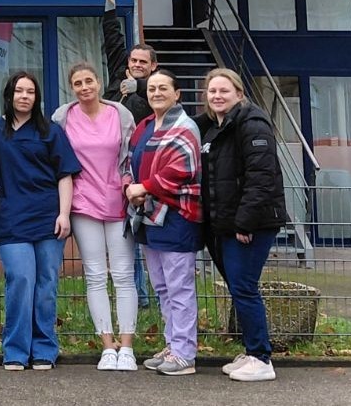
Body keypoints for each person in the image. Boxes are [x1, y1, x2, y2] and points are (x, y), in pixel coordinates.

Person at [196, 67, 288, 382]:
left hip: (250, 225)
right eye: (212, 91)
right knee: (239, 288)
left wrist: (245, 223)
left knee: (244, 288)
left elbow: (261, 177)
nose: (217, 96)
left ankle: (261, 359)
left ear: (239, 93)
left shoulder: (252, 124)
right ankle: (251, 351)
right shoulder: (213, 127)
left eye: (224, 90)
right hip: (224, 225)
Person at [0, 71, 81, 372]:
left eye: (30, 92)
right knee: (20, 279)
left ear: (37, 97)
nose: (24, 96)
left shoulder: (50, 131)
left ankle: (44, 348)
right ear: (9, 95)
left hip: (48, 217)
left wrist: (64, 213)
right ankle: (15, 350)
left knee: (46, 284)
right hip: (11, 217)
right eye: (19, 91)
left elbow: (65, 174)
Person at [51, 62, 139, 371]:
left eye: (89, 81)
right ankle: (107, 346)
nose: (84, 87)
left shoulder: (120, 114)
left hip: (118, 201)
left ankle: (127, 347)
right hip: (83, 204)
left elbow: (131, 156)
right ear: (71, 88)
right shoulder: (63, 118)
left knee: (124, 275)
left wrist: (131, 187)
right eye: (78, 83)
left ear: (99, 83)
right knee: (95, 275)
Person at [126, 68, 203, 377]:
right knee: (162, 287)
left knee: (179, 287)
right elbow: (130, 162)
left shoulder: (185, 127)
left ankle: (185, 353)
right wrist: (130, 188)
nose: (156, 93)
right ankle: (172, 345)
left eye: (163, 88)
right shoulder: (145, 126)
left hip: (176, 217)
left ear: (177, 93)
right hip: (148, 217)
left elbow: (182, 168)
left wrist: (143, 188)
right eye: (152, 88)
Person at [104, 0, 156, 309]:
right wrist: (111, 1)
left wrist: (141, 88)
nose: (136, 65)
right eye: (133, 61)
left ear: (153, 67)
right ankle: (136, 293)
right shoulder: (117, 79)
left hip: (140, 168)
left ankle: (148, 294)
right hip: (110, 165)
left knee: (141, 230)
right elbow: (112, 40)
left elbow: (166, 97)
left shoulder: (156, 89)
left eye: (142, 63)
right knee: (122, 231)